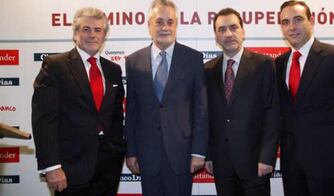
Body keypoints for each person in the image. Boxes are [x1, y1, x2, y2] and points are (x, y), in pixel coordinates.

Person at [274, 1, 334, 196]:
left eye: (298, 19)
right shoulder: (280, 63)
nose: (291, 27)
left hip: (329, 161)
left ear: (312, 21)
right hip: (292, 164)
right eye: (285, 22)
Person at [32, 7, 125, 196]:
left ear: (104, 35)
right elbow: (44, 120)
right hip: (69, 169)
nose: (92, 35)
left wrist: (118, 150)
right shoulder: (55, 66)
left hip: (108, 169)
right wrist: (52, 166)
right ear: (75, 34)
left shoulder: (113, 70)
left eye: (98, 30)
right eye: (86, 29)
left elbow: (116, 117)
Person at [123, 0, 208, 195]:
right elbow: (132, 111)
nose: (165, 27)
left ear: (176, 26)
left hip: (182, 154)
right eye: (159, 22)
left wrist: (198, 151)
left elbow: (200, 110)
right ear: (149, 25)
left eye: (170, 22)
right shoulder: (134, 61)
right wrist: (132, 151)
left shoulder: (193, 59)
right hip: (147, 154)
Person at [204, 8, 280, 196]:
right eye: (221, 29)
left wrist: (267, 157)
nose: (228, 34)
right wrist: (208, 155)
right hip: (221, 165)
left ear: (243, 31)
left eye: (233, 27)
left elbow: (272, 112)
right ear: (216, 36)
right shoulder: (207, 70)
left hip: (255, 163)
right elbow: (204, 117)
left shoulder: (264, 65)